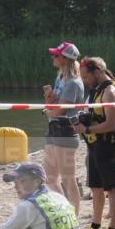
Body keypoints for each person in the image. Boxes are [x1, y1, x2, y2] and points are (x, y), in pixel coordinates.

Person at [72, 57, 115, 229]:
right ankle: (95, 225)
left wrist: (86, 129)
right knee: (95, 187)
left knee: (112, 187)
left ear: (97, 72)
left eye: (86, 77)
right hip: (94, 145)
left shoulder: (110, 91)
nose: (85, 81)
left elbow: (111, 124)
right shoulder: (96, 91)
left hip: (106, 145)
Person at [0, 162, 86, 229]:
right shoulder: (59, 197)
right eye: (15, 182)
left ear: (37, 181)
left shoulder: (28, 205)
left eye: (22, 181)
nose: (16, 187)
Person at [43, 41, 84, 214]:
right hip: (53, 129)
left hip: (66, 131)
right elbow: (53, 106)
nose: (53, 57)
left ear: (65, 59)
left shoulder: (73, 83)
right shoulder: (60, 78)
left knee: (68, 179)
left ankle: (74, 217)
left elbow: (60, 111)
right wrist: (49, 99)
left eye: (56, 55)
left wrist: (47, 112)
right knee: (50, 177)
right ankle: (64, 211)